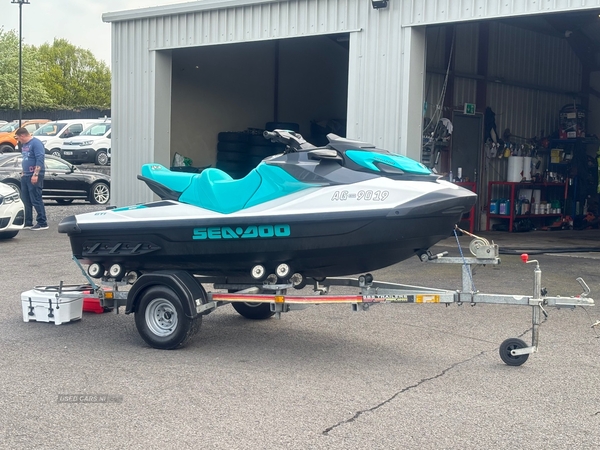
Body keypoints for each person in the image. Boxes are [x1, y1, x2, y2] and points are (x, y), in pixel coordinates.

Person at [16, 127, 48, 230]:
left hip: (34, 174)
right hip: (26, 174)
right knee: (26, 199)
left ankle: (42, 222)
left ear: (23, 135)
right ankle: (28, 222)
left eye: (18, 138)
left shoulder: (36, 143)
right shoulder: (25, 145)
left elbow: (40, 158)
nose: (18, 140)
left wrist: (36, 174)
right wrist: (23, 171)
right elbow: (26, 158)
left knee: (36, 198)